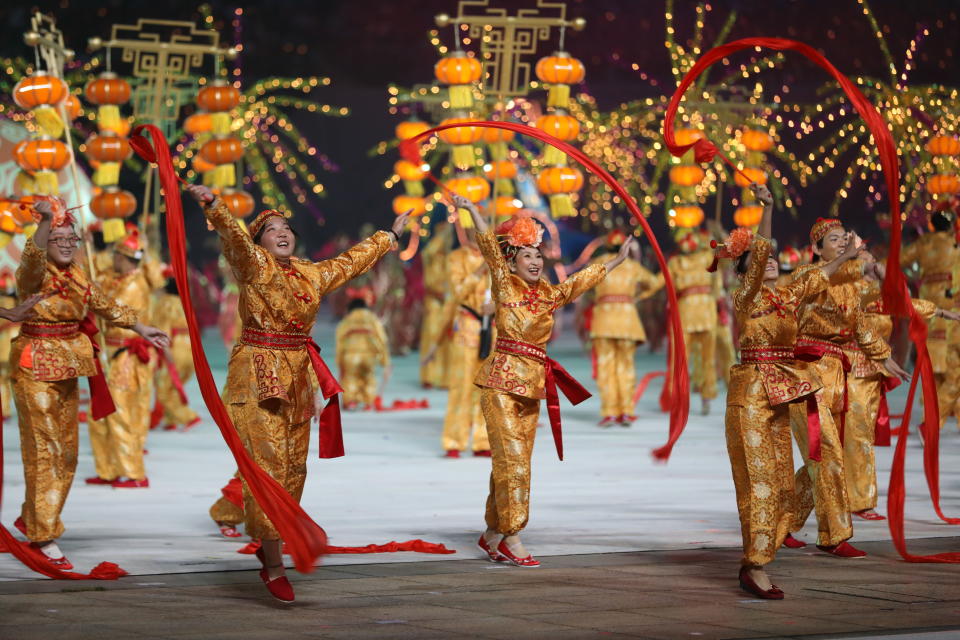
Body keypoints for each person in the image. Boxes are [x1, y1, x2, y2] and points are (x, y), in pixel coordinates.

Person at [184, 182, 410, 602]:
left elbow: (350, 262)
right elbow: (233, 235)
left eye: (285, 226)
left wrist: (390, 236)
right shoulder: (253, 266)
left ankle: (273, 543)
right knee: (269, 469)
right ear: (259, 242)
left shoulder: (311, 272)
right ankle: (272, 563)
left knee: (294, 470)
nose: (282, 232)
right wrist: (216, 207)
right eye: (271, 229)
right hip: (256, 373)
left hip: (297, 376)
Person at [453, 194, 633, 568]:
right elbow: (489, 247)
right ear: (513, 263)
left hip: (532, 386)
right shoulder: (504, 285)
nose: (535, 262)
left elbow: (580, 281)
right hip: (501, 383)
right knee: (514, 462)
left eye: (538, 256)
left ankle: (492, 532)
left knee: (508, 463)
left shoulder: (549, 295)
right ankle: (513, 536)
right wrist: (472, 211)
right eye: (527, 256)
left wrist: (615, 260)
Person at [721, 184, 861, 598]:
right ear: (745, 267)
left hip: (782, 393)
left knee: (782, 484)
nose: (769, 262)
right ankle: (755, 565)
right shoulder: (745, 296)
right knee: (760, 482)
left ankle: (769, 546)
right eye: (759, 259)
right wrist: (767, 209)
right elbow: (763, 247)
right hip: (750, 396)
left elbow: (817, 275)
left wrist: (849, 255)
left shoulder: (785, 296)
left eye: (772, 259)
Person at [13, 199, 167, 569]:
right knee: (46, 449)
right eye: (57, 237)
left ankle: (34, 516)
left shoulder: (79, 275)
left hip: (68, 365)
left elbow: (105, 304)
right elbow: (32, 255)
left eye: (71, 237)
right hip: (35, 363)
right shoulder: (33, 272)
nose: (66, 243)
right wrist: (48, 220)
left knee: (66, 452)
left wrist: (141, 327)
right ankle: (43, 534)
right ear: (46, 239)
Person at [785, 218, 909, 557]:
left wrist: (885, 359)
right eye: (834, 239)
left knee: (821, 458)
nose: (842, 243)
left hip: (835, 377)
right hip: (805, 376)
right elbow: (818, 279)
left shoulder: (851, 288)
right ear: (816, 249)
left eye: (845, 239)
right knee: (826, 454)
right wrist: (850, 258)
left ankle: (782, 523)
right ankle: (834, 535)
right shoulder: (806, 277)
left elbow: (862, 329)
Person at [842, 249, 958, 519]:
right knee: (857, 437)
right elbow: (885, 298)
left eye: (872, 257)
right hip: (852, 370)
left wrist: (939, 311)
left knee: (861, 437)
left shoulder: (877, 293)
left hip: (872, 371)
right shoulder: (851, 291)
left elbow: (905, 303)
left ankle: (853, 498)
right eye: (865, 259)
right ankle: (858, 501)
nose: (873, 261)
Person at [86, 229, 161, 488]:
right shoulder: (117, 278)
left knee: (119, 412)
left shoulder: (135, 285)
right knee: (100, 411)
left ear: (125, 257)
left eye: (116, 254)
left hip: (126, 356)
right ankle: (106, 468)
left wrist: (97, 295)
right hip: (109, 353)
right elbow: (98, 281)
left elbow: (112, 310)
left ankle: (133, 473)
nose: (113, 258)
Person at [588, 230, 661, 426]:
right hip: (627, 320)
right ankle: (627, 411)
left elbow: (584, 285)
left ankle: (610, 412)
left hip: (603, 319)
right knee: (626, 366)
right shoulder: (632, 266)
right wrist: (638, 295)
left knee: (606, 366)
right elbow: (654, 283)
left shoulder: (597, 263)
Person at [899, 210, 960, 429]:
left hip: (928, 300)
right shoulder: (954, 244)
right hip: (951, 301)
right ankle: (936, 419)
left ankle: (934, 417)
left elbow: (899, 260)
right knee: (953, 363)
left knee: (936, 359)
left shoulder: (924, 243)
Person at [437, 222, 493, 457]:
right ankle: (454, 440)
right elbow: (458, 292)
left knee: (487, 388)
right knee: (461, 387)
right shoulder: (456, 258)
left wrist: (496, 306)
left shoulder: (496, 258)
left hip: (492, 328)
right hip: (466, 326)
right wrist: (479, 271)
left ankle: (482, 441)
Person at [151, 271, 201, 431]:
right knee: (173, 385)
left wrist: (165, 351)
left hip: (175, 347)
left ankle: (188, 417)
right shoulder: (185, 303)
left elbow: (162, 329)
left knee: (163, 387)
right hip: (190, 348)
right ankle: (170, 419)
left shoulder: (165, 303)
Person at [335, 288, 390, 410]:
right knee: (369, 378)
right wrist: (385, 361)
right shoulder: (373, 319)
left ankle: (351, 402)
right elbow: (382, 339)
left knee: (351, 378)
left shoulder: (347, 321)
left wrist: (339, 360)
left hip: (351, 355)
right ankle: (367, 402)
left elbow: (340, 341)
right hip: (369, 356)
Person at [418, 223, 451, 389]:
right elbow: (429, 251)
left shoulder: (450, 260)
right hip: (433, 302)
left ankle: (444, 378)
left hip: (447, 303)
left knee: (447, 339)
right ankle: (429, 376)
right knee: (431, 336)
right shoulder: (430, 258)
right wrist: (445, 233)